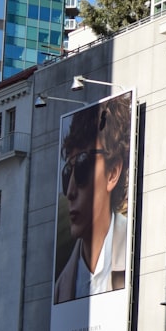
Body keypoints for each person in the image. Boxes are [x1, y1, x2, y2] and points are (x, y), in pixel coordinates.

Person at [54, 93, 132, 302]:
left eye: (82, 167)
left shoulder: (135, 256)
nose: (70, 191)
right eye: (66, 172)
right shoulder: (61, 287)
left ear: (113, 173)